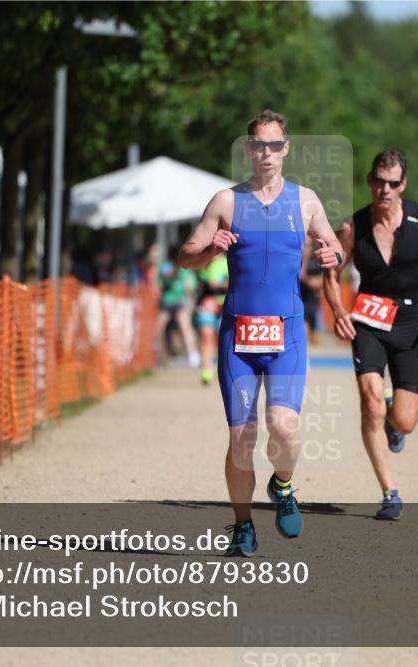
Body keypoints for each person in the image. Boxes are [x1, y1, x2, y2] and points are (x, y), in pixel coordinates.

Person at [177, 109, 342, 556]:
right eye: (259, 145)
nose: (266, 153)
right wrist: (211, 247)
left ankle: (283, 485)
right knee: (241, 439)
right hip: (239, 338)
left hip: (286, 336)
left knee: (283, 428)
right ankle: (243, 525)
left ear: (285, 148)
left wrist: (333, 255)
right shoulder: (226, 202)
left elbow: (333, 244)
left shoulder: (306, 200)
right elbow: (185, 254)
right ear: (249, 149)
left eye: (275, 145)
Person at [323, 149, 418, 521]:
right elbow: (331, 273)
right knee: (370, 403)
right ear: (369, 181)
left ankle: (396, 426)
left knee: (405, 420)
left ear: (403, 185)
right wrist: (338, 311)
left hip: (412, 323)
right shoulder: (352, 227)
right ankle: (390, 492)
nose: (385, 189)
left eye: (393, 183)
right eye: (379, 181)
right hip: (369, 322)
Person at [157, 260, 200, 367]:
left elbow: (190, 287)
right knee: (159, 327)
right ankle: (161, 355)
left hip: (180, 301)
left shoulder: (186, 269)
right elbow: (163, 280)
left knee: (185, 327)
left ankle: (192, 354)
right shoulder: (165, 266)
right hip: (167, 301)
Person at [195, 254, 229, 384]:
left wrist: (219, 284)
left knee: (222, 339)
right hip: (206, 305)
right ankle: (206, 370)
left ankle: (220, 367)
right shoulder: (202, 260)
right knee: (206, 336)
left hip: (224, 305)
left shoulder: (226, 261)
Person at [299, 239, 326, 346]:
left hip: (313, 298)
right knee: (302, 329)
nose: (306, 247)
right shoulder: (298, 257)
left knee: (314, 333)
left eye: (308, 245)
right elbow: (301, 276)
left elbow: (322, 280)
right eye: (304, 245)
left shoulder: (317, 257)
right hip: (299, 297)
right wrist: (304, 258)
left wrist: (315, 281)